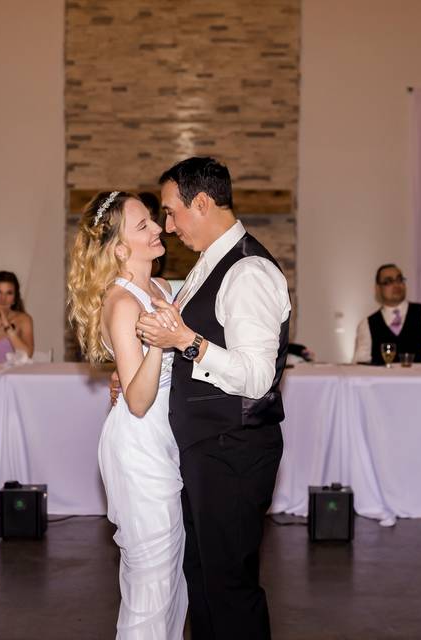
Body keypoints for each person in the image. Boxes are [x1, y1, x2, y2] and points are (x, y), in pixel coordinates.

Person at [135, 157, 291, 639]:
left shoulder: (248, 271)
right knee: (203, 578)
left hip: (234, 450)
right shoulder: (210, 261)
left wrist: (187, 341)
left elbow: (257, 376)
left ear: (200, 203)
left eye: (171, 211)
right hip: (209, 449)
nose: (168, 225)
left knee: (229, 587)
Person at [67, 190, 188, 639]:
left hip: (167, 440)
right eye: (144, 226)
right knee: (151, 582)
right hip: (139, 446)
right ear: (120, 248)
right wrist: (158, 342)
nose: (158, 228)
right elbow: (137, 400)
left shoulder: (162, 287)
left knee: (174, 580)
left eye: (153, 221)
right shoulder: (123, 303)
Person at [353, 263, 421, 365]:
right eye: (388, 281)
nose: (396, 285)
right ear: (378, 288)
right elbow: (361, 362)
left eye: (399, 280)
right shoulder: (367, 324)